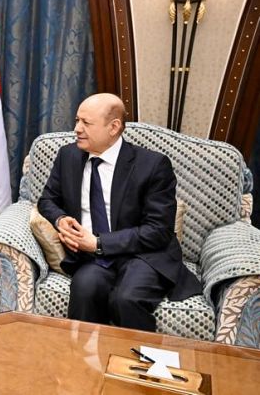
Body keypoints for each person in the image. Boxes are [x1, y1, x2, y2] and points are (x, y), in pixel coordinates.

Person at [37, 93, 202, 331]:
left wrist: (98, 243)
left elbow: (158, 231)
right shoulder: (68, 156)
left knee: (125, 299)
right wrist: (60, 219)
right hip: (92, 259)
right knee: (84, 288)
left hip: (142, 255)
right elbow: (47, 200)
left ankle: (141, 354)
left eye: (86, 123)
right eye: (77, 121)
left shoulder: (153, 165)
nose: (77, 129)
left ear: (114, 127)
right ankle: (81, 353)